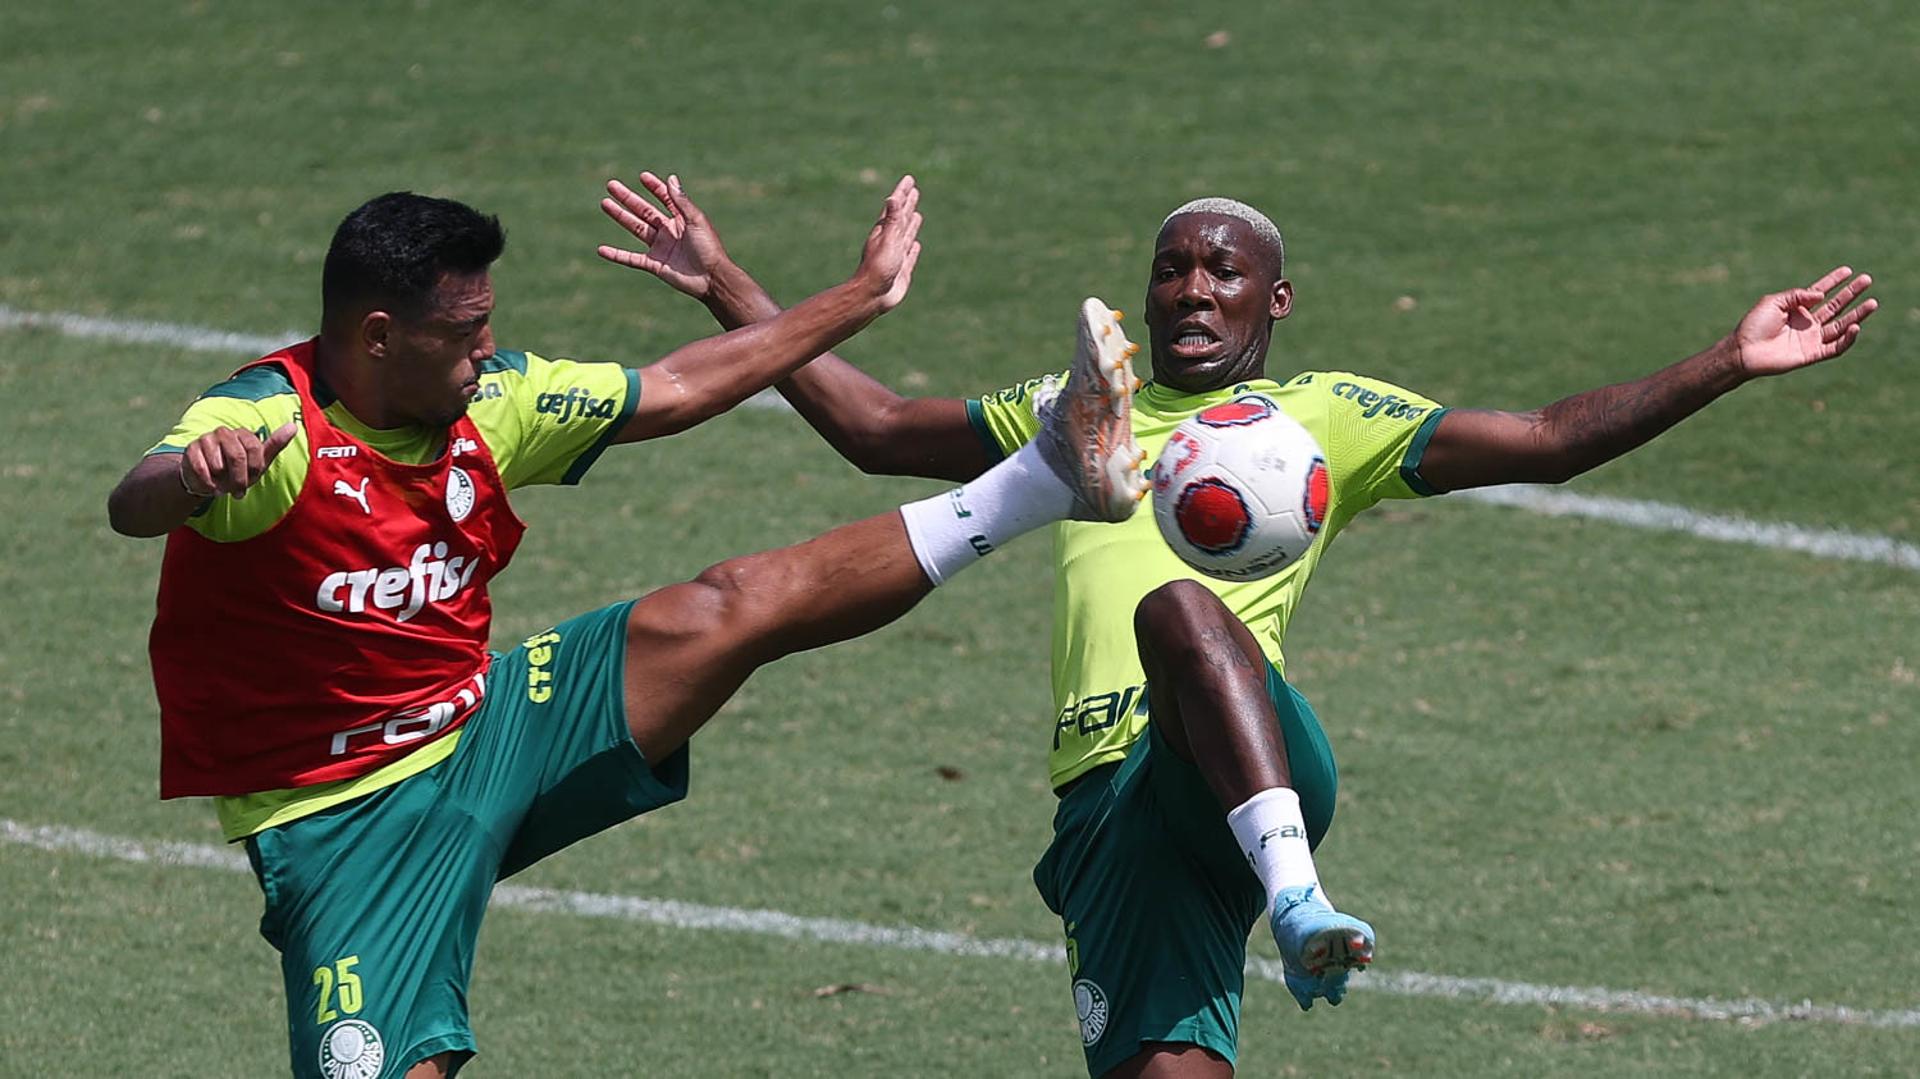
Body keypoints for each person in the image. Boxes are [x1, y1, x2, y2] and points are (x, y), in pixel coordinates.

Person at [600, 174, 1878, 1078]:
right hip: (1111, 805)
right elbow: (874, 429)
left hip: (1250, 763)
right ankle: (1284, 903)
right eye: (1173, 266)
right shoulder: (1081, 411)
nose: (1193, 288)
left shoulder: (1326, 415)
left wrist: (1725, 358)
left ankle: (1301, 897)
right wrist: (726, 282)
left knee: (1177, 603)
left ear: (1276, 300)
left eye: (1225, 269)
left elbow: (1546, 441)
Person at [107, 175, 1153, 1078]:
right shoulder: (270, 430)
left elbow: (684, 384)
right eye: (464, 332)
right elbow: (137, 495)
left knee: (730, 604)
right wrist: (190, 476)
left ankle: (1046, 474)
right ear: (379, 336)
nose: (489, 349)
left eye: (490, 323)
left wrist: (861, 297)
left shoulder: (491, 405)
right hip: (342, 826)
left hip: (485, 733)